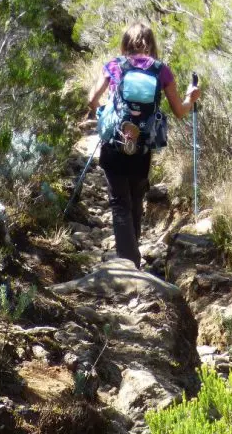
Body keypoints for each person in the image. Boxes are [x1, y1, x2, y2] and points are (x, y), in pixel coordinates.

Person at [86, 22, 201, 269]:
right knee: (136, 197)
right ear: (152, 42)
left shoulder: (114, 66)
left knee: (119, 202)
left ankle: (128, 261)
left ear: (125, 42)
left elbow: (91, 99)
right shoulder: (162, 71)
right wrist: (191, 98)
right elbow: (179, 111)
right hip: (143, 146)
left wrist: (105, 113)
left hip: (114, 143)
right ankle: (132, 257)